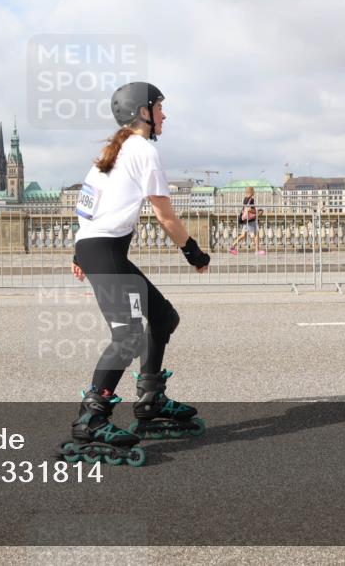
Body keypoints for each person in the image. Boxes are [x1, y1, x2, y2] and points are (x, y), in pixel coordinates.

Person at [58, 82, 210, 467]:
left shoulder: (111, 152)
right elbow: (165, 215)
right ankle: (91, 418)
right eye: (159, 107)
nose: (164, 114)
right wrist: (194, 253)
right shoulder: (143, 150)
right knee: (126, 335)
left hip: (98, 247)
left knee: (163, 317)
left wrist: (79, 250)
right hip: (104, 250)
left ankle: (150, 396)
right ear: (142, 111)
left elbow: (87, 208)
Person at [229, 186, 265, 255]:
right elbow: (249, 209)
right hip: (251, 220)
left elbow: (245, 209)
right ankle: (257, 251)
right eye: (253, 192)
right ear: (252, 192)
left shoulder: (245, 199)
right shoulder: (251, 199)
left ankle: (232, 247)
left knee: (243, 235)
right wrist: (258, 212)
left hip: (246, 220)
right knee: (255, 234)